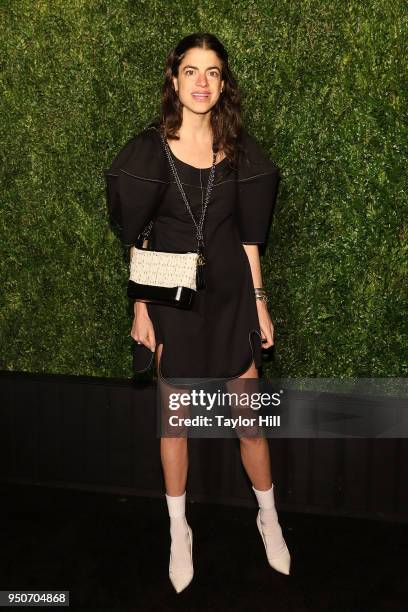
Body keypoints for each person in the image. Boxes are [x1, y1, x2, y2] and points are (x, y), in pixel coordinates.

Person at [105, 32, 291, 594]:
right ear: (174, 79)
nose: (202, 82)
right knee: (176, 421)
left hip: (233, 297)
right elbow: (137, 236)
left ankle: (269, 518)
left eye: (212, 72)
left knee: (249, 421)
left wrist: (260, 302)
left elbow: (249, 239)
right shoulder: (148, 149)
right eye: (191, 71)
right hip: (173, 300)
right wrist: (141, 309)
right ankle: (178, 530)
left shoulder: (239, 152)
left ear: (223, 82)